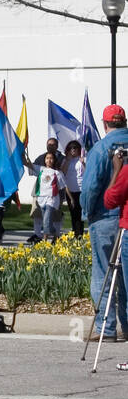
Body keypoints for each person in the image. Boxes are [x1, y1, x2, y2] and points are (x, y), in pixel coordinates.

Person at [81, 104, 128, 341]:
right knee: (127, 275)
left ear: (105, 124)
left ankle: (106, 328)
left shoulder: (100, 149)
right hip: (126, 217)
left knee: (103, 273)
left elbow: (90, 187)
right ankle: (127, 326)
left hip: (105, 216)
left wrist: (87, 211)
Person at [28, 150, 68, 241]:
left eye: (51, 158)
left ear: (54, 160)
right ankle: (56, 235)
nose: (49, 160)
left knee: (46, 221)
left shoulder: (57, 173)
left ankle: (45, 241)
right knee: (46, 221)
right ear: (45, 160)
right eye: (47, 158)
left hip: (52, 200)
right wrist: (23, 156)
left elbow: (63, 187)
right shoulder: (41, 169)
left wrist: (65, 199)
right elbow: (28, 164)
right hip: (41, 199)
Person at [63, 140, 85, 238]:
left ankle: (80, 233)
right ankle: (75, 232)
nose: (73, 150)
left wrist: (83, 162)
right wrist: (68, 160)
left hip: (81, 189)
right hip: (70, 191)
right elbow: (62, 173)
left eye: (75, 148)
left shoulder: (82, 159)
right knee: (73, 212)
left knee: (80, 212)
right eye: (71, 148)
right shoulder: (66, 160)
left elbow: (88, 171)